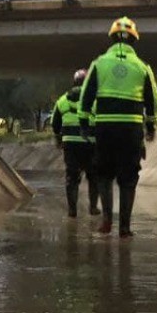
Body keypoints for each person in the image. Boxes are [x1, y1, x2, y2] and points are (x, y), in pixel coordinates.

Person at [79, 17, 157, 238]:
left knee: (104, 174)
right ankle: (125, 227)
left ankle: (106, 221)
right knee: (129, 177)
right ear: (134, 39)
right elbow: (152, 100)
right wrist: (151, 126)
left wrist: (84, 123)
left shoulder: (99, 64)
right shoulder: (143, 67)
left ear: (112, 38)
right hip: (131, 130)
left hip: (105, 128)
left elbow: (86, 96)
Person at [52, 69, 100, 218]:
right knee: (93, 176)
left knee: (72, 177)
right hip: (90, 144)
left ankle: (72, 211)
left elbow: (55, 124)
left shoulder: (62, 100)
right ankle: (93, 208)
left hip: (70, 144)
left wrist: (59, 139)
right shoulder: (95, 100)